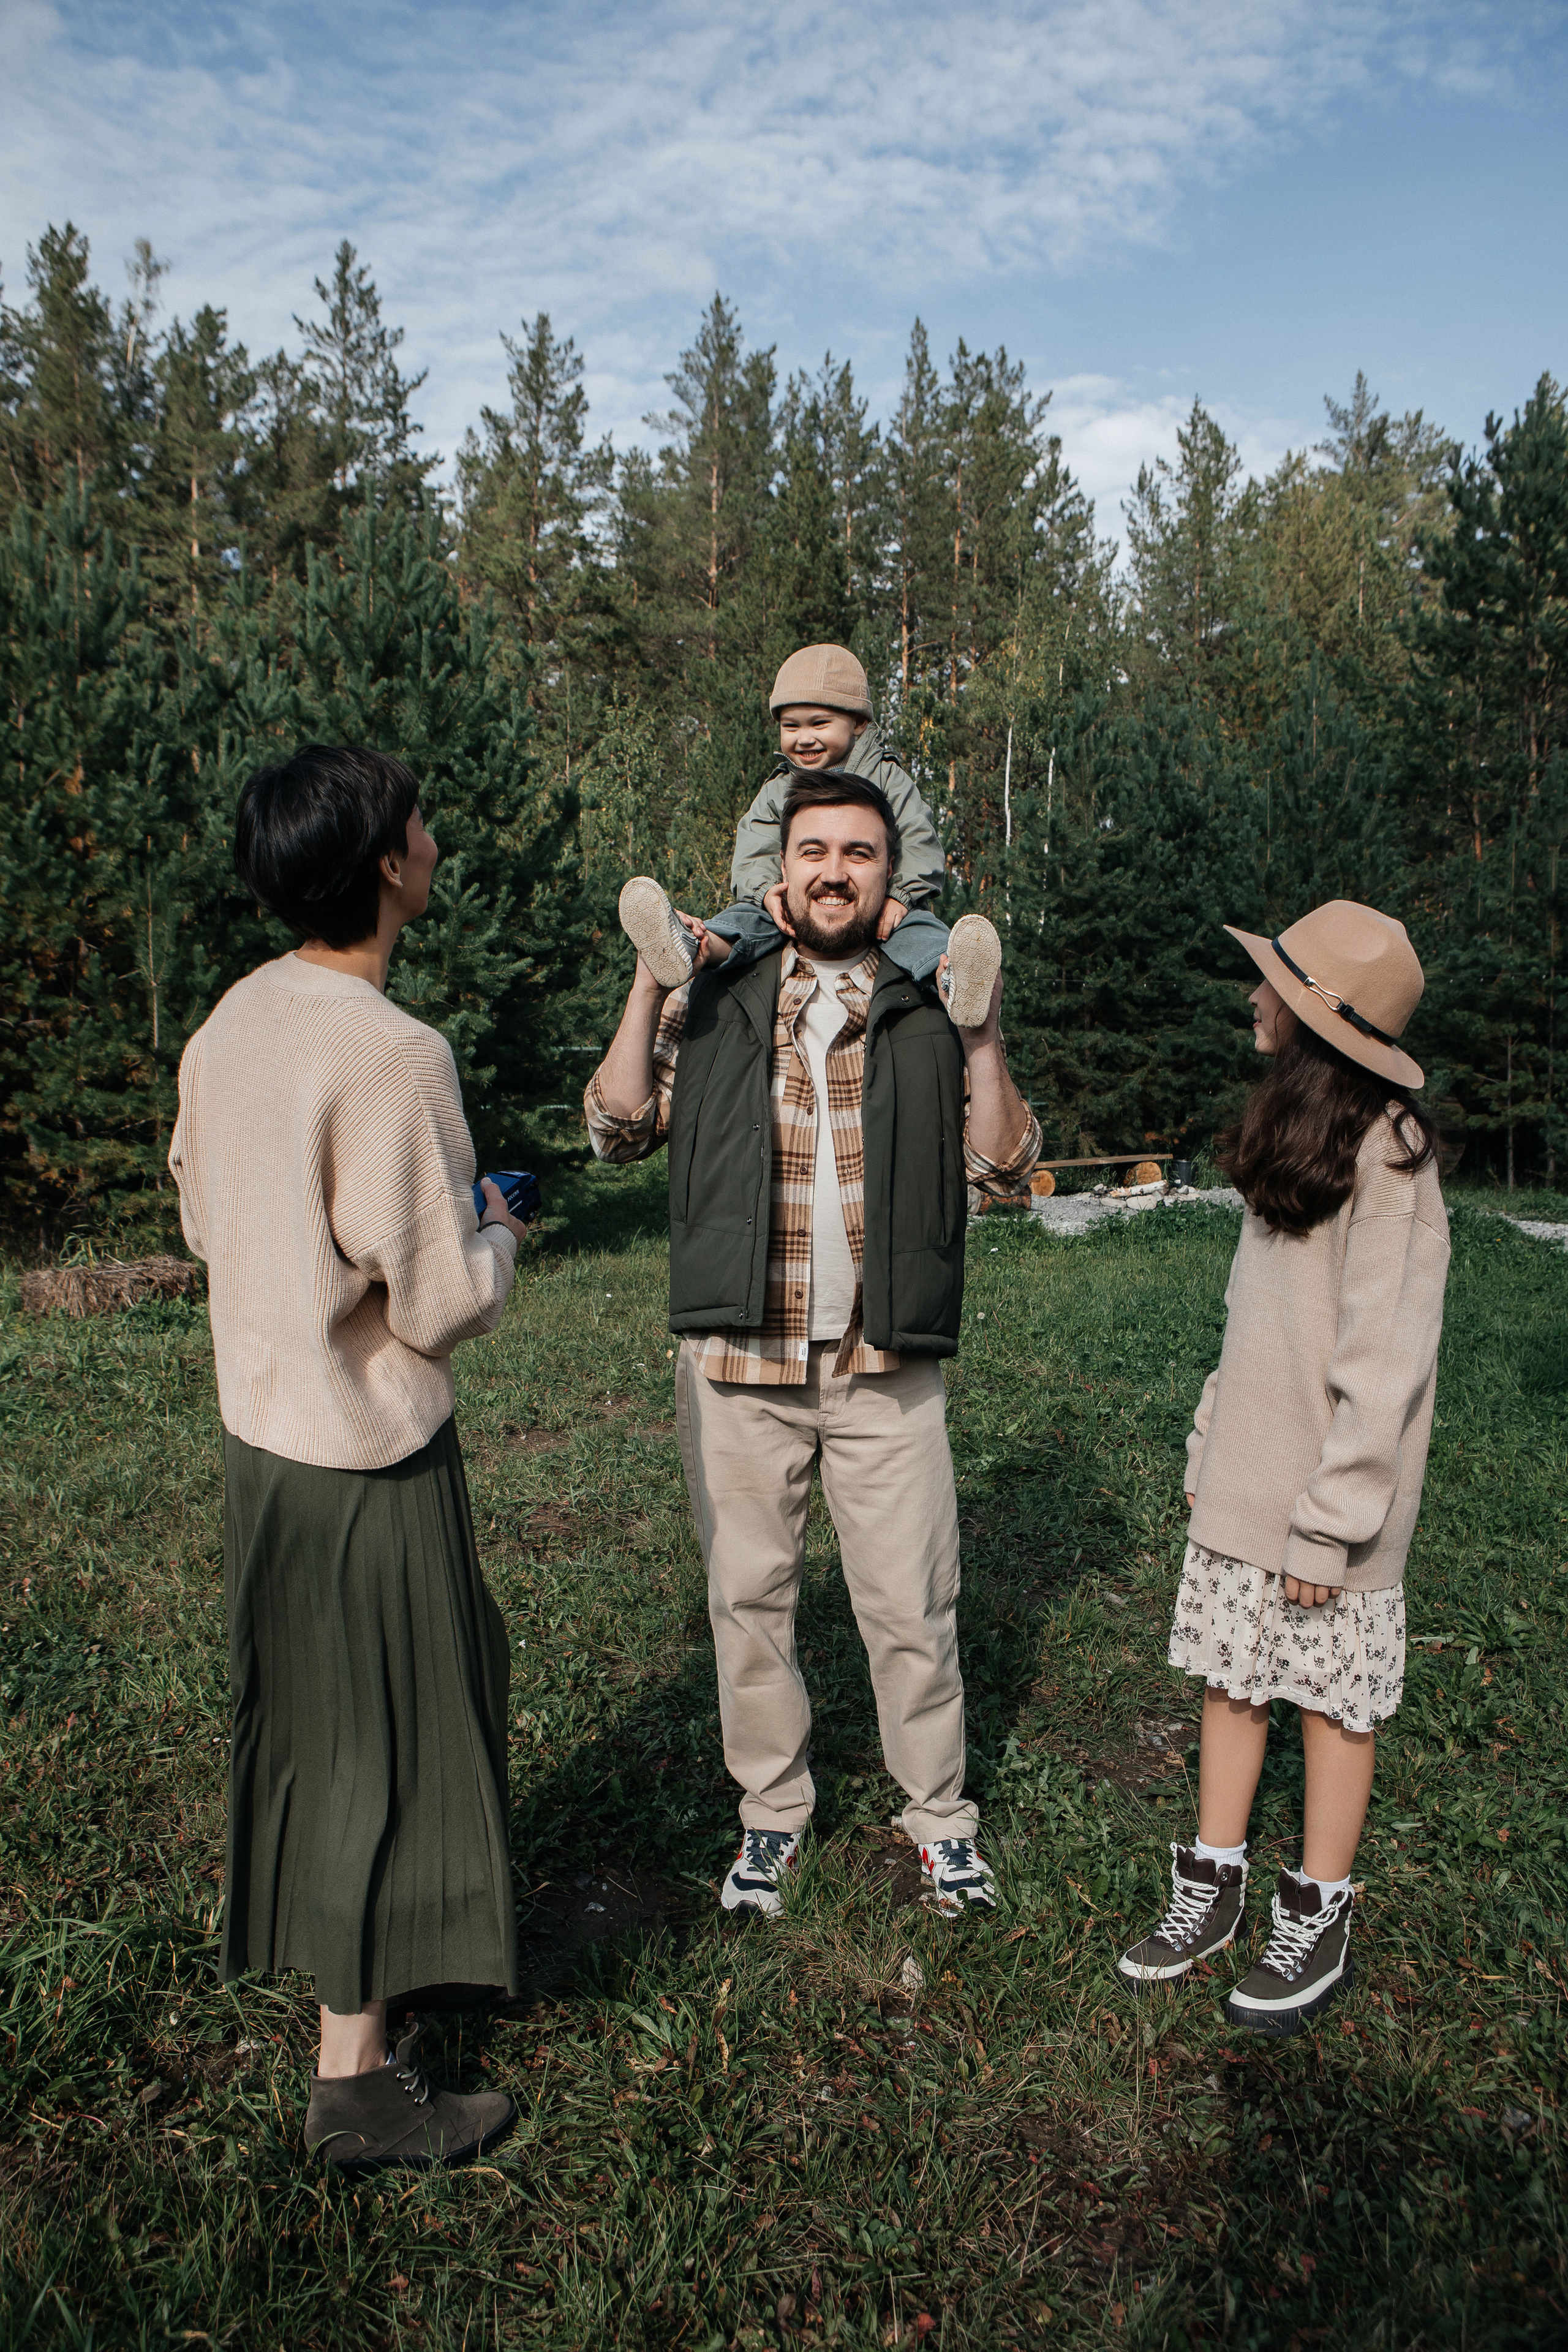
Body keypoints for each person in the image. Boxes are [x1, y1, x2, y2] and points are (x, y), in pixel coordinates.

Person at [585, 767, 1041, 1917]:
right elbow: (616, 1128)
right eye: (814, 851)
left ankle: (938, 1819)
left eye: (860, 853)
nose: (835, 869)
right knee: (750, 1603)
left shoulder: (931, 987)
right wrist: (649, 991)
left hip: (883, 1359)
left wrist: (980, 1038)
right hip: (738, 1358)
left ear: (893, 877)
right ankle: (772, 1816)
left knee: (911, 1604)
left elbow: (1006, 1165)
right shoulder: (723, 986)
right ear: (778, 872)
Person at [169, 742, 533, 2170]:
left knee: (321, 1733)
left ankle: (375, 1981)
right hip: (364, 1461)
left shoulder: (235, 1019)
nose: (433, 839)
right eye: (418, 824)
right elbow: (437, 1304)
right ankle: (358, 2079)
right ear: (385, 865)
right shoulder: (391, 1049)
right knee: (389, 1740)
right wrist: (497, 1233)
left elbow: (207, 1212)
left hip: (259, 1441)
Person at [1117, 900, 1449, 2035]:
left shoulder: (1391, 1158)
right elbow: (1248, 1328)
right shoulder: (1291, 1134)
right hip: (1249, 1488)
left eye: (1271, 984)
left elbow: (1384, 1363)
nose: (1251, 997)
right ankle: (1213, 1882)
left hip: (1330, 1512)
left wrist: (1333, 1521)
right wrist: (1213, 1449)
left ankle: (1319, 1904)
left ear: (1315, 1020)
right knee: (1232, 1677)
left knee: (1332, 1706)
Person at [617, 641, 1003, 1028]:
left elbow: (919, 840)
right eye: (791, 726)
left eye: (819, 724)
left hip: (882, 904)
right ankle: (693, 946)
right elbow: (754, 846)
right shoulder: (778, 789)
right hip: (797, 905)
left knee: (921, 931)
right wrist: (765, 891)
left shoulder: (888, 778)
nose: (804, 738)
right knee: (746, 919)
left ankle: (955, 979)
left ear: (858, 724)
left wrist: (901, 896)